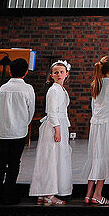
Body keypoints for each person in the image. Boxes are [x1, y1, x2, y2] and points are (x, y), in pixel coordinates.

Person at [29, 61, 73, 205]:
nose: (59, 75)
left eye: (61, 72)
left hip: (60, 124)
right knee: (51, 160)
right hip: (55, 126)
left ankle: (45, 192)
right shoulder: (54, 90)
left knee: (54, 159)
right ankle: (48, 193)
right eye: (56, 72)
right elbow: (52, 111)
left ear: (66, 74)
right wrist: (57, 129)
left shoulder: (61, 90)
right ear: (51, 75)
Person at [0, 57, 34, 205]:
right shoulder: (27, 89)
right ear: (26, 72)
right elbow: (31, 110)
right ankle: (9, 194)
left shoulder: (3, 88)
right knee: (14, 162)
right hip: (19, 131)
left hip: (3, 130)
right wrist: (24, 123)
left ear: (10, 70)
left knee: (1, 162)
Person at [83, 56, 109, 206]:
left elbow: (94, 109)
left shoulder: (95, 84)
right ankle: (98, 194)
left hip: (96, 125)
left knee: (95, 157)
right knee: (105, 158)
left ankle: (88, 194)